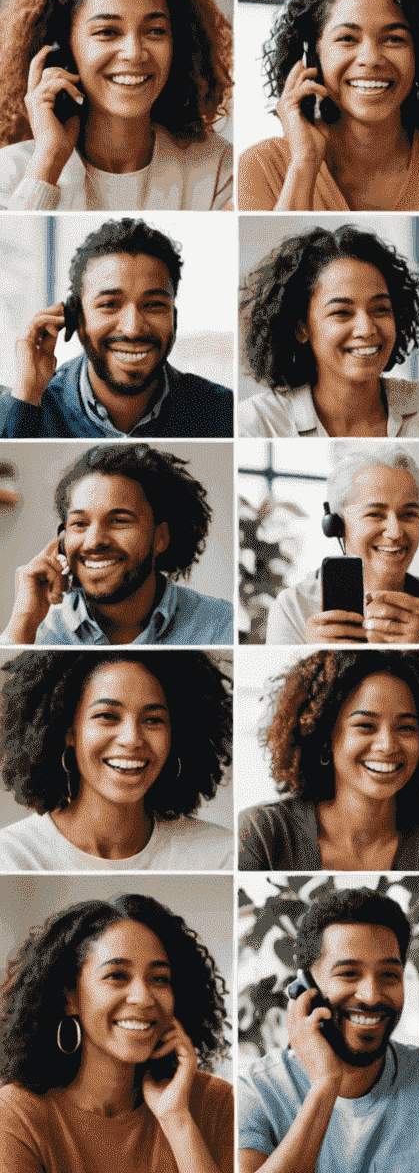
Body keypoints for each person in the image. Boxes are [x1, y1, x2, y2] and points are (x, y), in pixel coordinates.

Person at [239, 887, 419, 1173]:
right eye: (348, 973)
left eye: (389, 975)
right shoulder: (257, 1090)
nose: (371, 996)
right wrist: (326, 1085)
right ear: (304, 987)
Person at [0, 892, 232, 1173]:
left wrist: (177, 1120)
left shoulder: (215, 1103)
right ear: (70, 997)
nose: (144, 998)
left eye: (159, 979)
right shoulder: (16, 1115)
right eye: (117, 976)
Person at [238, 0, 419, 211]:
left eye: (394, 39)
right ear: (311, 56)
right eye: (347, 38)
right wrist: (304, 162)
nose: (371, 58)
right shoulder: (260, 165)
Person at [0, 0, 232, 211]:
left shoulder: (217, 166)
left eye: (155, 30)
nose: (134, 53)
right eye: (107, 32)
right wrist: (48, 161)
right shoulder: (12, 169)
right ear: (63, 49)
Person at [239, 649, 419, 871]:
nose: (388, 745)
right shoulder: (263, 832)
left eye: (406, 728)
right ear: (324, 737)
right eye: (365, 726)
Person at [0, 218, 232, 437]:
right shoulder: (22, 407)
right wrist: (27, 397)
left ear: (174, 317)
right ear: (76, 319)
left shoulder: (221, 412)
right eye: (109, 304)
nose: (132, 329)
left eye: (153, 305)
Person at [0, 652, 230, 869]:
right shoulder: (14, 856)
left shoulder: (221, 853)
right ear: (69, 731)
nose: (132, 739)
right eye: (107, 716)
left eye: (152, 720)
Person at [239, 225, 419, 438]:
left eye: (380, 309)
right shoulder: (256, 423)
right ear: (302, 328)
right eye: (342, 312)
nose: (366, 329)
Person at [2, 441, 231, 645]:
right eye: (80, 523)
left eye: (119, 521)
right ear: (62, 541)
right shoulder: (38, 628)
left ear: (160, 537)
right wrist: (23, 621)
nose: (94, 541)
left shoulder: (221, 626)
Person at [264, 446, 419, 646]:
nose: (395, 532)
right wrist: (309, 656)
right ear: (337, 525)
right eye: (374, 514)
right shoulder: (293, 608)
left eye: (409, 514)